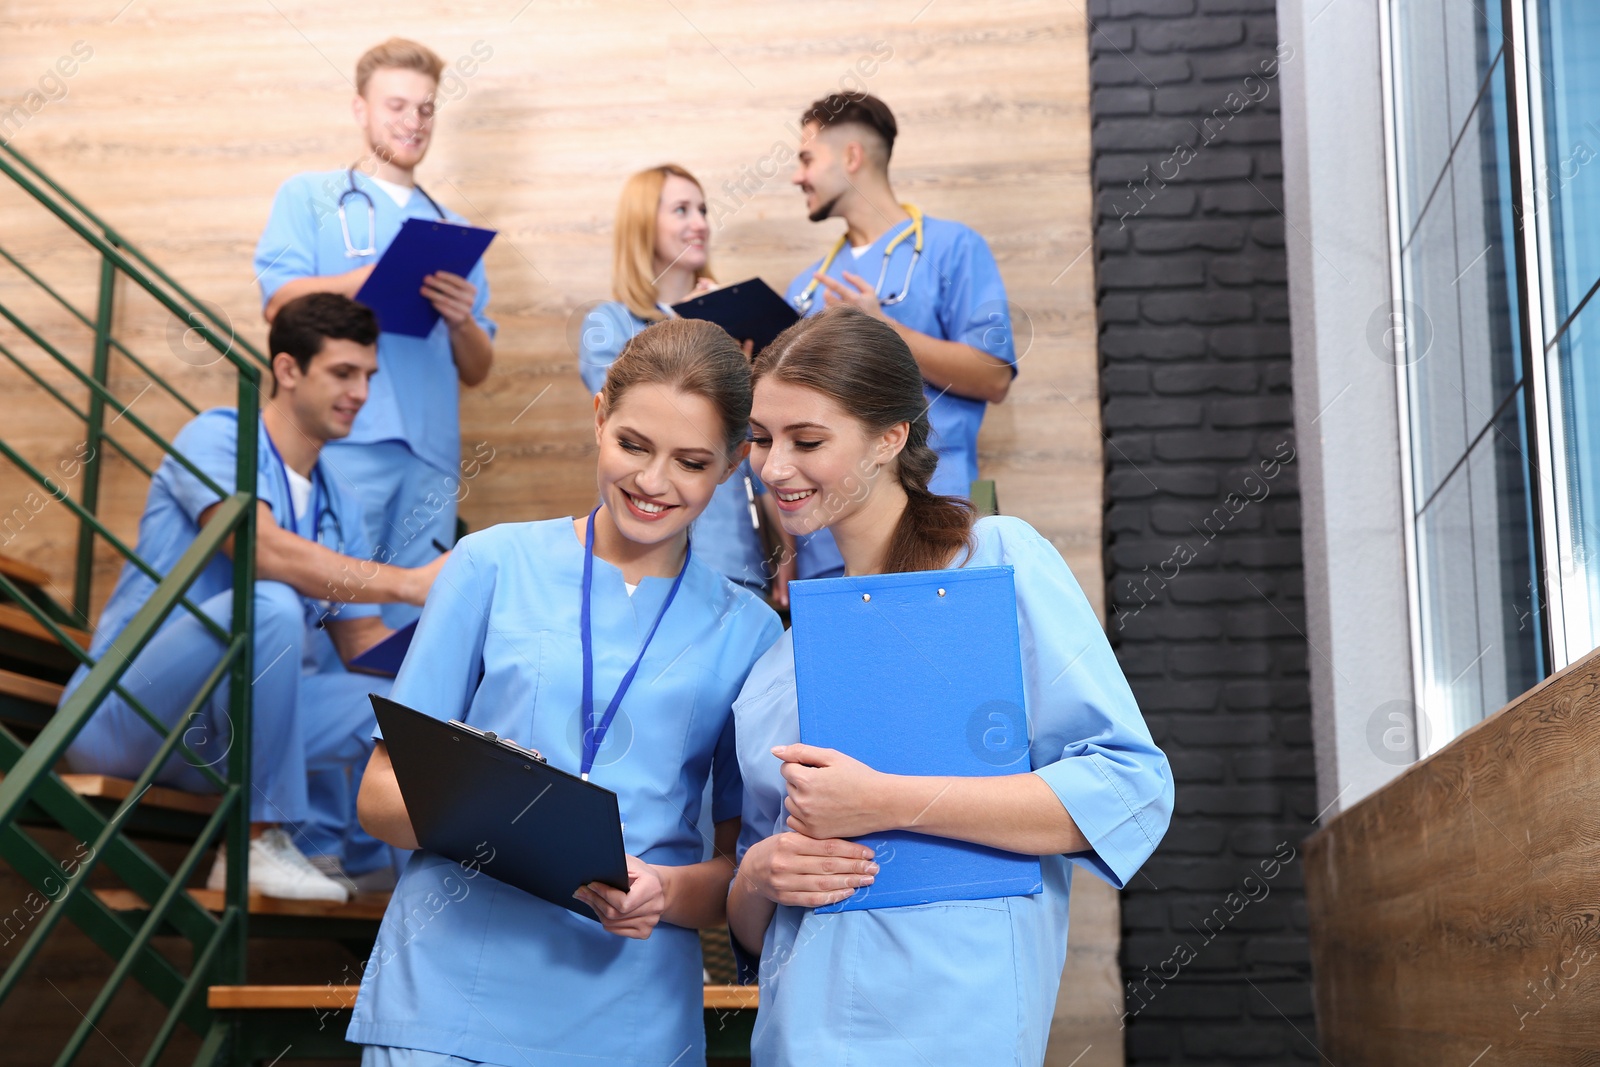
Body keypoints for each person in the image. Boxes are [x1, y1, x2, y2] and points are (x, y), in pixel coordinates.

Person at [727, 306, 1173, 1066]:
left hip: (959, 1020)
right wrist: (757, 874)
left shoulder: (994, 563)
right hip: (800, 1032)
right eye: (763, 439)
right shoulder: (782, 655)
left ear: (890, 435)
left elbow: (1128, 787)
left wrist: (885, 800)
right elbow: (754, 920)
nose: (773, 468)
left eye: (808, 440)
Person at [349, 318, 784, 1066]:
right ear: (599, 416)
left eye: (691, 461)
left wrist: (665, 891)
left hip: (631, 1008)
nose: (653, 482)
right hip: (451, 990)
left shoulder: (750, 631)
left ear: (734, 462)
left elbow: (740, 872)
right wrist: (486, 800)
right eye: (633, 445)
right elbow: (379, 800)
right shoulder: (487, 566)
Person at [61, 294, 447, 902]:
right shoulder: (219, 435)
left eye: (368, 376)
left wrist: (459, 650)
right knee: (266, 603)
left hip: (216, 746)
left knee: (403, 709)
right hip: (124, 718)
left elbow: (362, 643)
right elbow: (259, 550)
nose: (361, 393)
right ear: (289, 369)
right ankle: (254, 846)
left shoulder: (338, 500)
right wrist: (411, 582)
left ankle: (412, 900)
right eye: (342, 373)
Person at [253, 37, 495, 627]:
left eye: (426, 108)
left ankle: (394, 725)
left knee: (410, 621)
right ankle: (326, 720)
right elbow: (278, 303)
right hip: (346, 442)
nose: (412, 122)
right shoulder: (310, 196)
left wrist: (461, 319)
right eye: (396, 105)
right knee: (332, 610)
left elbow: (479, 367)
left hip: (431, 451)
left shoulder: (453, 231)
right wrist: (363, 279)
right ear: (360, 108)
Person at [784, 92, 1017, 581]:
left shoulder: (953, 250)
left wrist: (885, 330)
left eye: (806, 158)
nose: (796, 176)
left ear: (851, 156)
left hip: (932, 522)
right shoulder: (806, 289)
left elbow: (993, 376)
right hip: (826, 544)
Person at [577, 164, 795, 604]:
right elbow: (639, 406)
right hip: (646, 559)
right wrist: (700, 335)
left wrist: (787, 553)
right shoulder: (610, 323)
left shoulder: (738, 325)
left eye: (703, 210)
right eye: (681, 210)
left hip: (738, 556)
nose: (699, 223)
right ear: (643, 224)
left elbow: (760, 445)